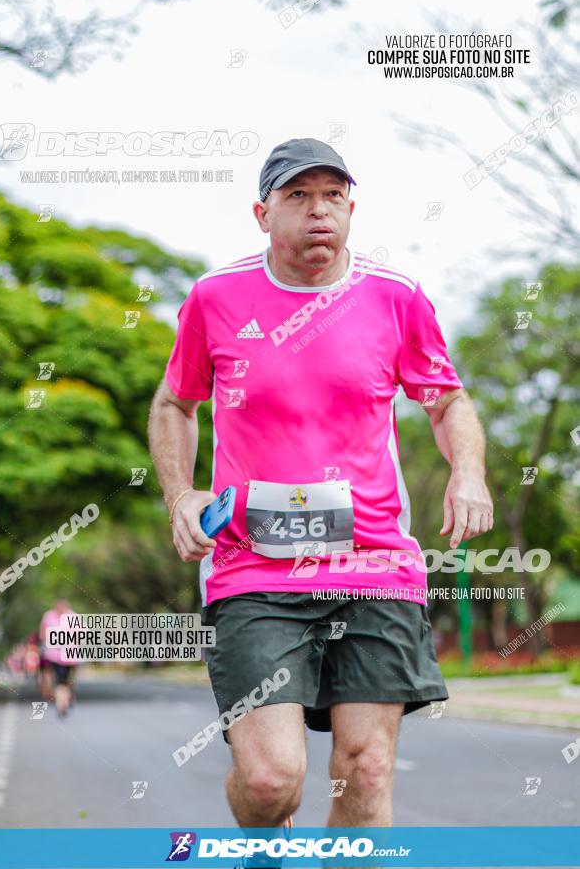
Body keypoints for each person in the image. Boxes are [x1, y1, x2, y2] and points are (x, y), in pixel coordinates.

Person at [148, 138, 493, 839]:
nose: (318, 212)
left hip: (374, 566)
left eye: (332, 195)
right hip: (251, 567)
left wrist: (469, 471)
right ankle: (262, 846)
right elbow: (173, 404)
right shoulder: (217, 298)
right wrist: (180, 495)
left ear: (351, 207)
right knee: (271, 781)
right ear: (262, 212)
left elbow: (446, 400)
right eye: (298, 196)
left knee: (364, 767)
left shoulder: (395, 297)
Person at [39, 599, 79, 717]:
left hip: (70, 656)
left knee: (67, 681)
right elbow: (42, 633)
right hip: (54, 656)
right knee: (59, 680)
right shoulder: (48, 616)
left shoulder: (73, 616)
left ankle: (67, 698)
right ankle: (62, 704)